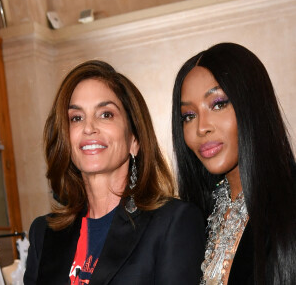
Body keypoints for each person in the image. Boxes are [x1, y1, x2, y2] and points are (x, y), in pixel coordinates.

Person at [24, 60, 205, 285]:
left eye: (106, 114)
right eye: (76, 118)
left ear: (134, 139)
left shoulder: (175, 222)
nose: (89, 127)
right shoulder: (43, 233)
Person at [172, 42, 296, 285]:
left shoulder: (290, 203)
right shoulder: (193, 217)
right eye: (189, 115)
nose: (201, 127)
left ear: (252, 105)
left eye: (218, 104)